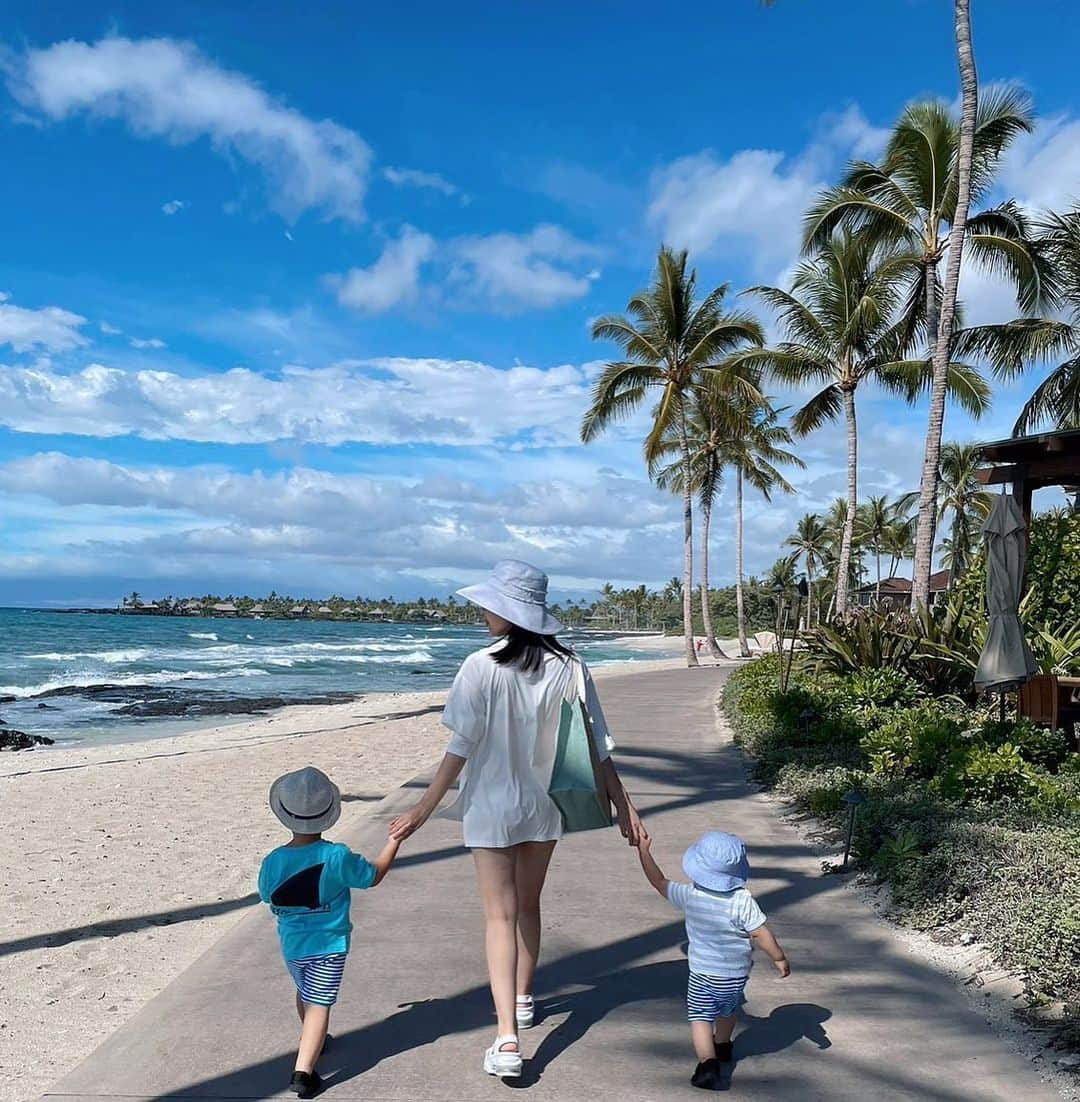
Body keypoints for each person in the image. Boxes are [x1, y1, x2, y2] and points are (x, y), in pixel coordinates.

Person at [388, 559, 645, 1078]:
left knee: (498, 917)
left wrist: (423, 807)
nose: (482, 612)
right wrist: (624, 804)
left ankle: (507, 1039)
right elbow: (598, 747)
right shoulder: (571, 666)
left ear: (509, 612)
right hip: (545, 802)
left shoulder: (479, 667)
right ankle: (524, 998)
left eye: (489, 604)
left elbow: (459, 749)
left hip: (490, 805)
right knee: (529, 905)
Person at [258, 766, 400, 1099]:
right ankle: (303, 1073)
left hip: (292, 945)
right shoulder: (335, 857)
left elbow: (267, 895)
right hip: (329, 946)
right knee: (320, 1003)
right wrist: (393, 842)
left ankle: (314, 1039)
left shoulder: (274, 860)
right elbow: (372, 876)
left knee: (304, 991)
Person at [635, 830, 789, 1090]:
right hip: (735, 976)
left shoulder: (690, 895)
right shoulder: (742, 899)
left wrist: (644, 851)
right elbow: (761, 933)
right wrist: (779, 957)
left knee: (700, 1018)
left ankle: (708, 1064)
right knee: (729, 1010)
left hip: (702, 974)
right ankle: (724, 1046)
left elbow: (658, 881)